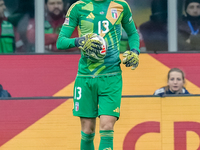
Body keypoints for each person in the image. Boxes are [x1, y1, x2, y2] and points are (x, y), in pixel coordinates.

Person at [56, 0, 140, 149]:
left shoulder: (121, 6)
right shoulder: (78, 7)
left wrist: (134, 51)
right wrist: (80, 41)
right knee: (87, 130)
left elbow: (133, 33)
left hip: (111, 76)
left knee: (107, 127)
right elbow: (60, 42)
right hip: (86, 77)